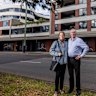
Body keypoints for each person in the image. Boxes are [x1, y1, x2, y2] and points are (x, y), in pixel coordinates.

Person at [68, 29, 89, 96]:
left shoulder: (79, 40)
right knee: (70, 75)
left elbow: (86, 47)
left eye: (74, 32)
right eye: (72, 32)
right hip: (69, 60)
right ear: (70, 33)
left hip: (76, 59)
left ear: (76, 33)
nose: (73, 33)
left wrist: (81, 56)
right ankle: (71, 89)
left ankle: (78, 90)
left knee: (77, 75)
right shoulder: (68, 40)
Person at [50, 32, 68, 96]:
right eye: (60, 35)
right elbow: (51, 51)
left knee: (62, 77)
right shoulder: (55, 42)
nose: (62, 36)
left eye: (63, 35)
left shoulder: (66, 43)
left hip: (64, 63)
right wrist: (57, 54)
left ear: (64, 36)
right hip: (58, 62)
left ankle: (61, 89)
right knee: (57, 76)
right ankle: (56, 90)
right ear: (59, 36)